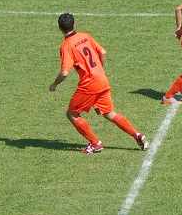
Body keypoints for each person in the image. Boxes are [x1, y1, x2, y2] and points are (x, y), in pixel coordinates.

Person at [49, 13, 147, 154]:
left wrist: (54, 84)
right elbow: (103, 52)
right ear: (74, 25)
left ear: (60, 28)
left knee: (72, 114)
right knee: (109, 113)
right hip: (102, 79)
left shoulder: (66, 46)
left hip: (89, 84)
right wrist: (99, 69)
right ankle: (138, 135)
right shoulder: (85, 36)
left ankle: (95, 143)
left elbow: (64, 72)